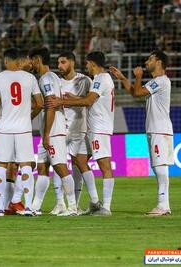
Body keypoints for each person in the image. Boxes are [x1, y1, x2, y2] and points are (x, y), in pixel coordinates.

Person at [46, 51, 115, 216]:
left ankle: (105, 207)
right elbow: (87, 100)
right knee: (80, 161)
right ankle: (93, 202)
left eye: (87, 63)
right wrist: (73, 98)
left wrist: (62, 101)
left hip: (99, 128)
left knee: (104, 166)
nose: (86, 66)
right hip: (95, 128)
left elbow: (88, 101)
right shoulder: (103, 79)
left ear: (92, 63)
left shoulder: (99, 79)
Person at [109, 50, 173, 216]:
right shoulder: (156, 82)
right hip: (157, 129)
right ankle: (163, 204)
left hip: (159, 129)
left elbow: (137, 92)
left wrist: (138, 76)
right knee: (158, 166)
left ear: (158, 62)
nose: (146, 62)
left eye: (150, 59)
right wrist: (123, 78)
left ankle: (163, 205)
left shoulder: (160, 81)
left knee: (160, 166)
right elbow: (134, 93)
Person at [0, 48, 43, 216]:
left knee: (1, 166)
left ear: (6, 61)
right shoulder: (30, 78)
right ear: (19, 62)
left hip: (4, 129)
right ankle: (28, 207)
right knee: (26, 165)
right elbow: (39, 104)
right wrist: (28, 116)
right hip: (23, 129)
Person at [29, 47, 77, 216]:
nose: (30, 63)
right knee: (41, 167)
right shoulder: (49, 77)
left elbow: (50, 105)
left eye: (32, 60)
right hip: (46, 131)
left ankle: (72, 207)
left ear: (37, 59)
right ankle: (35, 207)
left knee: (61, 168)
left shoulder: (47, 78)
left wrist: (47, 134)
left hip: (54, 131)